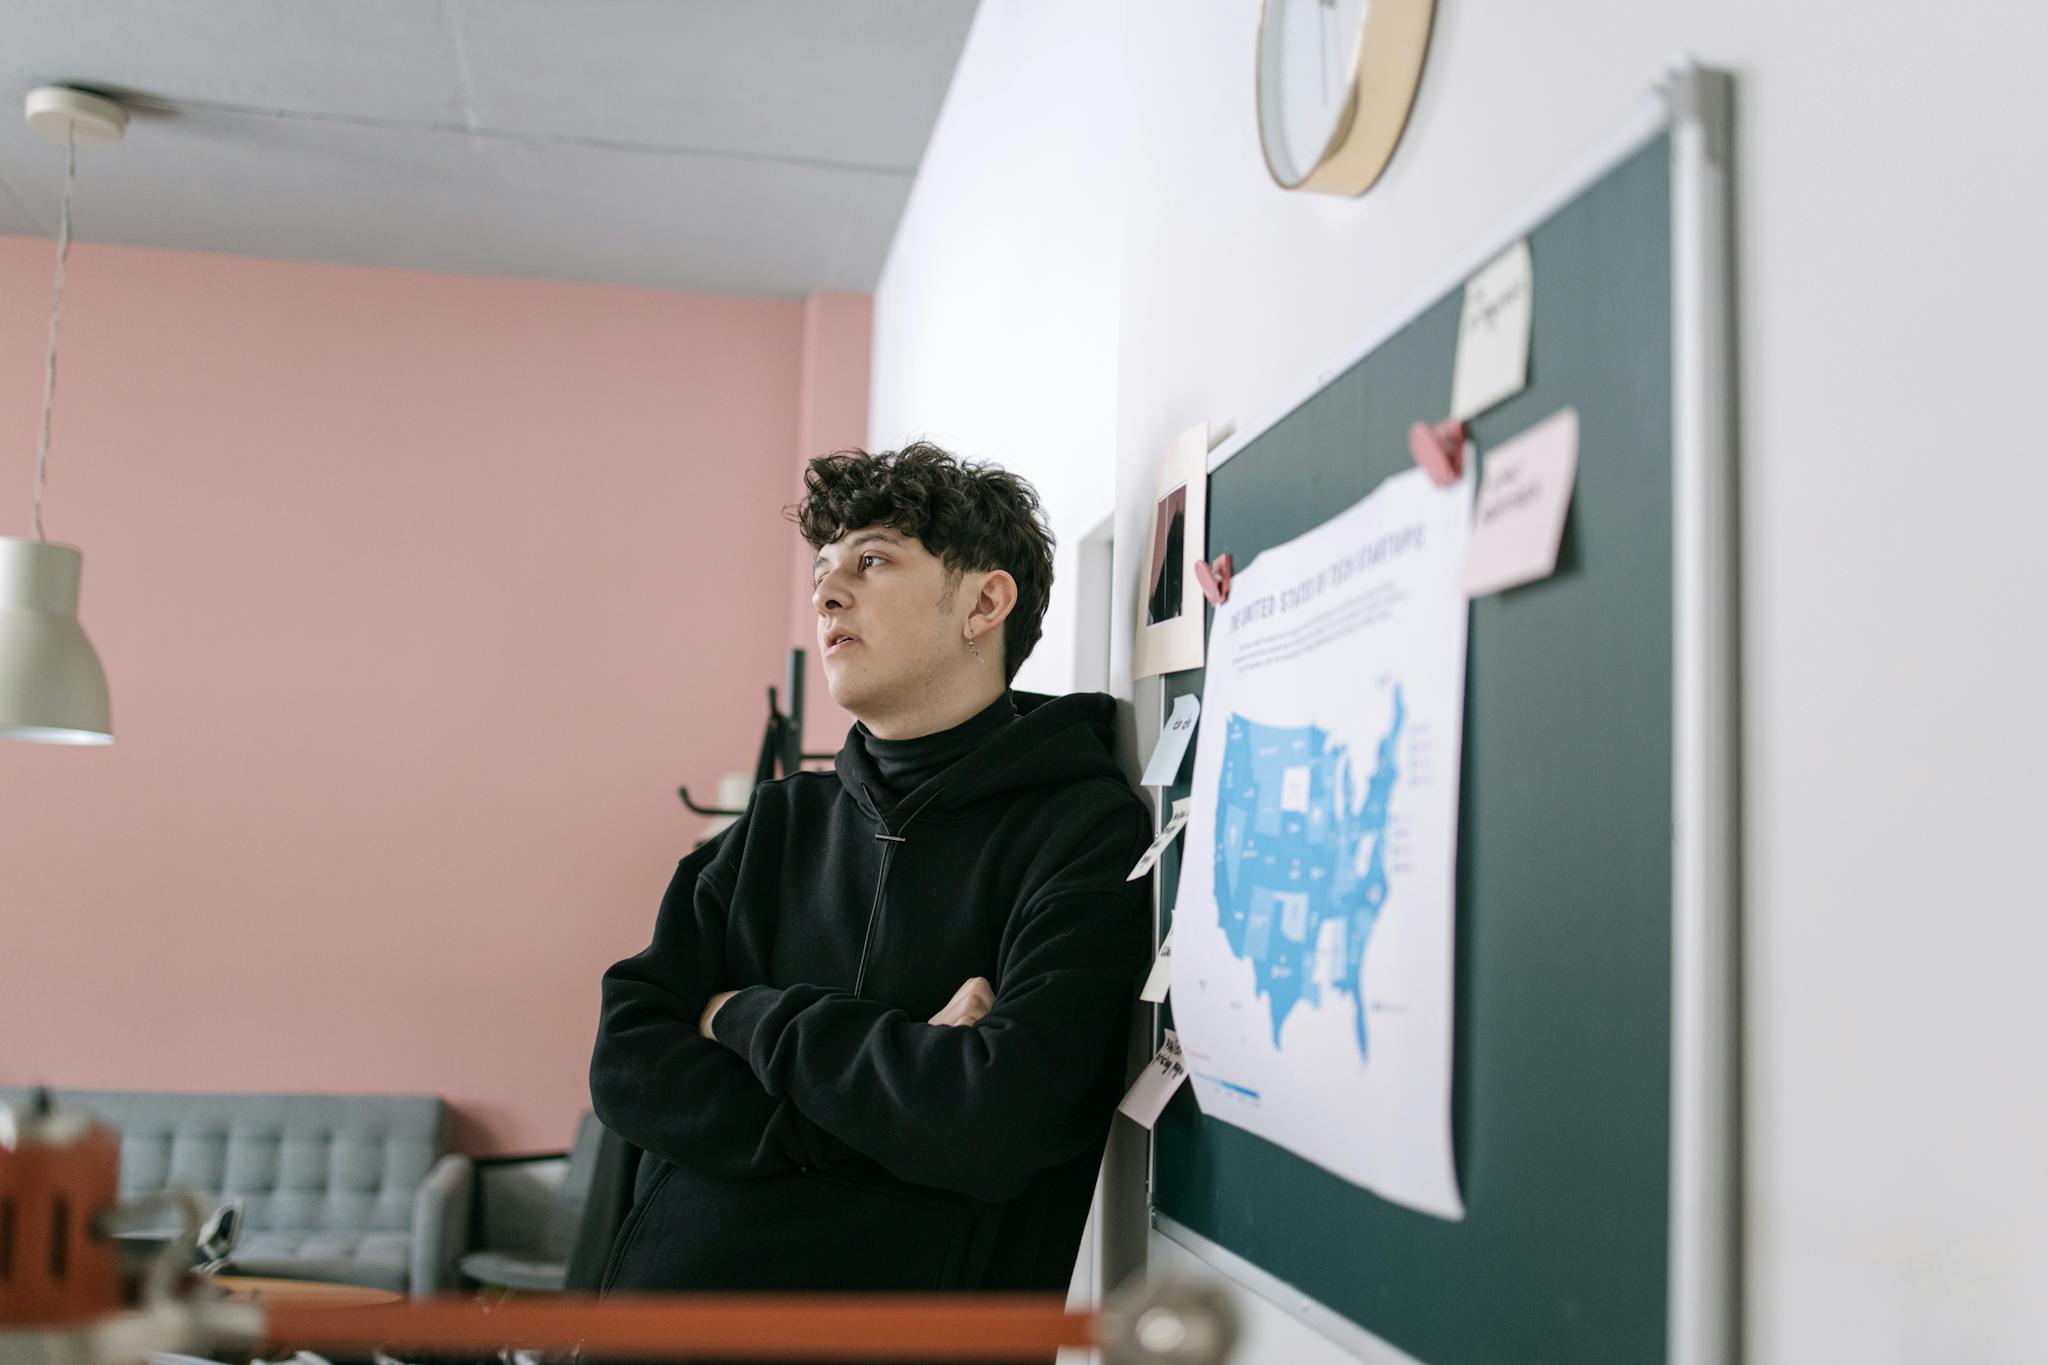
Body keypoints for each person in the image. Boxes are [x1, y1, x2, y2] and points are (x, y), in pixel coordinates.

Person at [590, 443, 1151, 1296]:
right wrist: (889, 1098)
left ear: (984, 602)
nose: (826, 593)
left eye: (873, 559)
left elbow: (992, 1123)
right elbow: (627, 1062)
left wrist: (744, 1014)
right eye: (822, 569)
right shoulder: (780, 821)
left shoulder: (1083, 833)